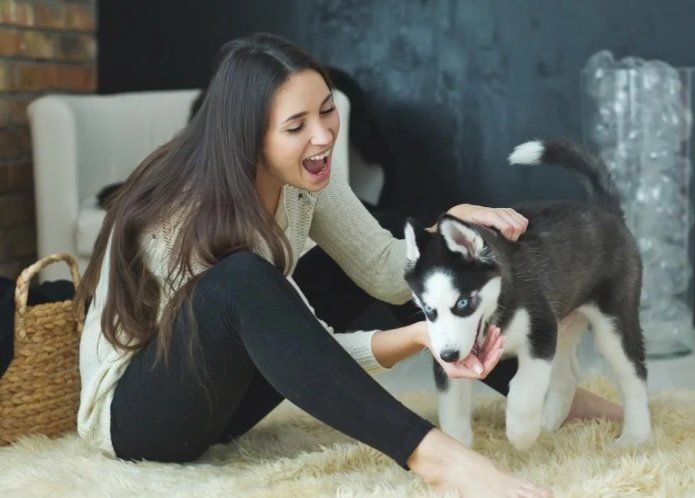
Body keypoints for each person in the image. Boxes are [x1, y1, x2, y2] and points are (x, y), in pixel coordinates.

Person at [74, 33, 621, 498]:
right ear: (249, 138)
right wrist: (411, 340)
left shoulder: (310, 177)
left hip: (228, 401)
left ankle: (550, 390)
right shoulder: (183, 214)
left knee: (413, 266)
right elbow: (295, 345)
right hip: (142, 419)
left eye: (327, 109)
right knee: (243, 279)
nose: (323, 136)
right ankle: (435, 458)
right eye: (296, 126)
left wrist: (446, 224)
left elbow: (385, 273)